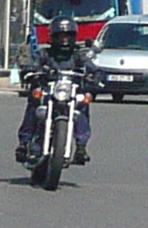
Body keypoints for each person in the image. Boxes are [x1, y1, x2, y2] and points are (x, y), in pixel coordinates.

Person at [16, 38, 95, 168]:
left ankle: (81, 147)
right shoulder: (45, 53)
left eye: (67, 35)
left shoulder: (78, 54)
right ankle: (24, 142)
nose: (64, 40)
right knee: (34, 101)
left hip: (70, 92)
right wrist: (30, 71)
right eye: (61, 36)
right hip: (49, 91)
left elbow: (91, 67)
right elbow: (32, 64)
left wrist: (95, 76)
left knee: (83, 104)